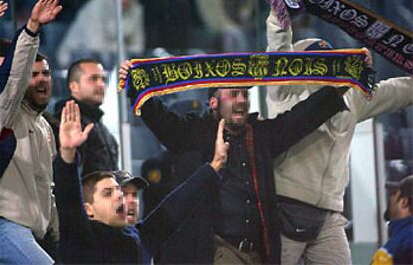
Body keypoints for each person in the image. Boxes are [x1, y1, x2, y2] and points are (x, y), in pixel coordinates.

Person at [120, 60, 350, 264]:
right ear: (213, 103)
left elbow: (298, 119)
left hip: (259, 253)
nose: (241, 101)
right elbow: (163, 120)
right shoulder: (195, 133)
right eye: (233, 94)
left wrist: (337, 90)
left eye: (245, 94)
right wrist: (136, 84)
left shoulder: (259, 135)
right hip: (218, 252)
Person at [265, 0, 413, 265]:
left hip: (329, 216)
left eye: (330, 60)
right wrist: (278, 8)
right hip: (284, 207)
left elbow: (400, 91)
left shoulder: (351, 96)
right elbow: (278, 46)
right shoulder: (284, 88)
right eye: (317, 60)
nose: (325, 65)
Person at [54, 100, 228, 264]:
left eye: (118, 191)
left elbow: (178, 204)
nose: (119, 197)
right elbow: (69, 204)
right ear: (88, 210)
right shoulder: (81, 241)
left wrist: (215, 165)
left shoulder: (141, 238)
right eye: (108, 193)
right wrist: (67, 155)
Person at [0, 0, 62, 264]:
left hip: (32, 231)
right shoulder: (8, 112)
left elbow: (46, 188)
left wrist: (56, 234)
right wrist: (32, 28)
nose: (40, 80)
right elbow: (11, 82)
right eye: (32, 74)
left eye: (45, 74)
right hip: (5, 226)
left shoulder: (45, 126)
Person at [56, 0, 144, 67]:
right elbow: (95, 46)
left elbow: (138, 47)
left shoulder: (137, 9)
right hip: (78, 56)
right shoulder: (96, 5)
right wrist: (123, 44)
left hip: (114, 60)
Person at [54, 58, 119, 175]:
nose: (101, 85)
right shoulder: (61, 125)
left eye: (103, 79)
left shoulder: (101, 128)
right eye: (93, 79)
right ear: (74, 86)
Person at [372, 175, 413, 264]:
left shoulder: (406, 239)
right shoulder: (403, 237)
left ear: (404, 202)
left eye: (394, 194)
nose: (390, 199)